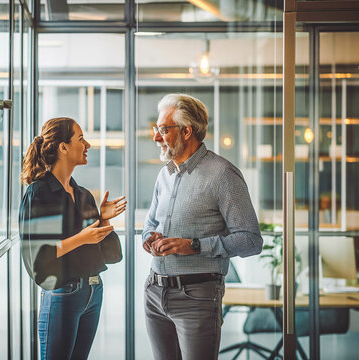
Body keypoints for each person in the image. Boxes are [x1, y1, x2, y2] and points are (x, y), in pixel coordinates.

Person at [142, 94, 263, 360]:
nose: (156, 137)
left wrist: (194, 246)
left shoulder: (223, 175)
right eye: (157, 129)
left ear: (186, 132)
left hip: (197, 296)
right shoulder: (165, 174)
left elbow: (251, 240)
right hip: (154, 291)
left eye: (163, 129)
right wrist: (148, 237)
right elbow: (150, 222)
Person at [19, 117, 127, 360]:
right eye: (80, 139)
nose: (87, 144)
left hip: (93, 292)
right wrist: (81, 238)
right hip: (63, 295)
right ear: (63, 147)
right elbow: (37, 256)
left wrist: (104, 219)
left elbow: (110, 255)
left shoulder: (83, 195)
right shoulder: (40, 193)